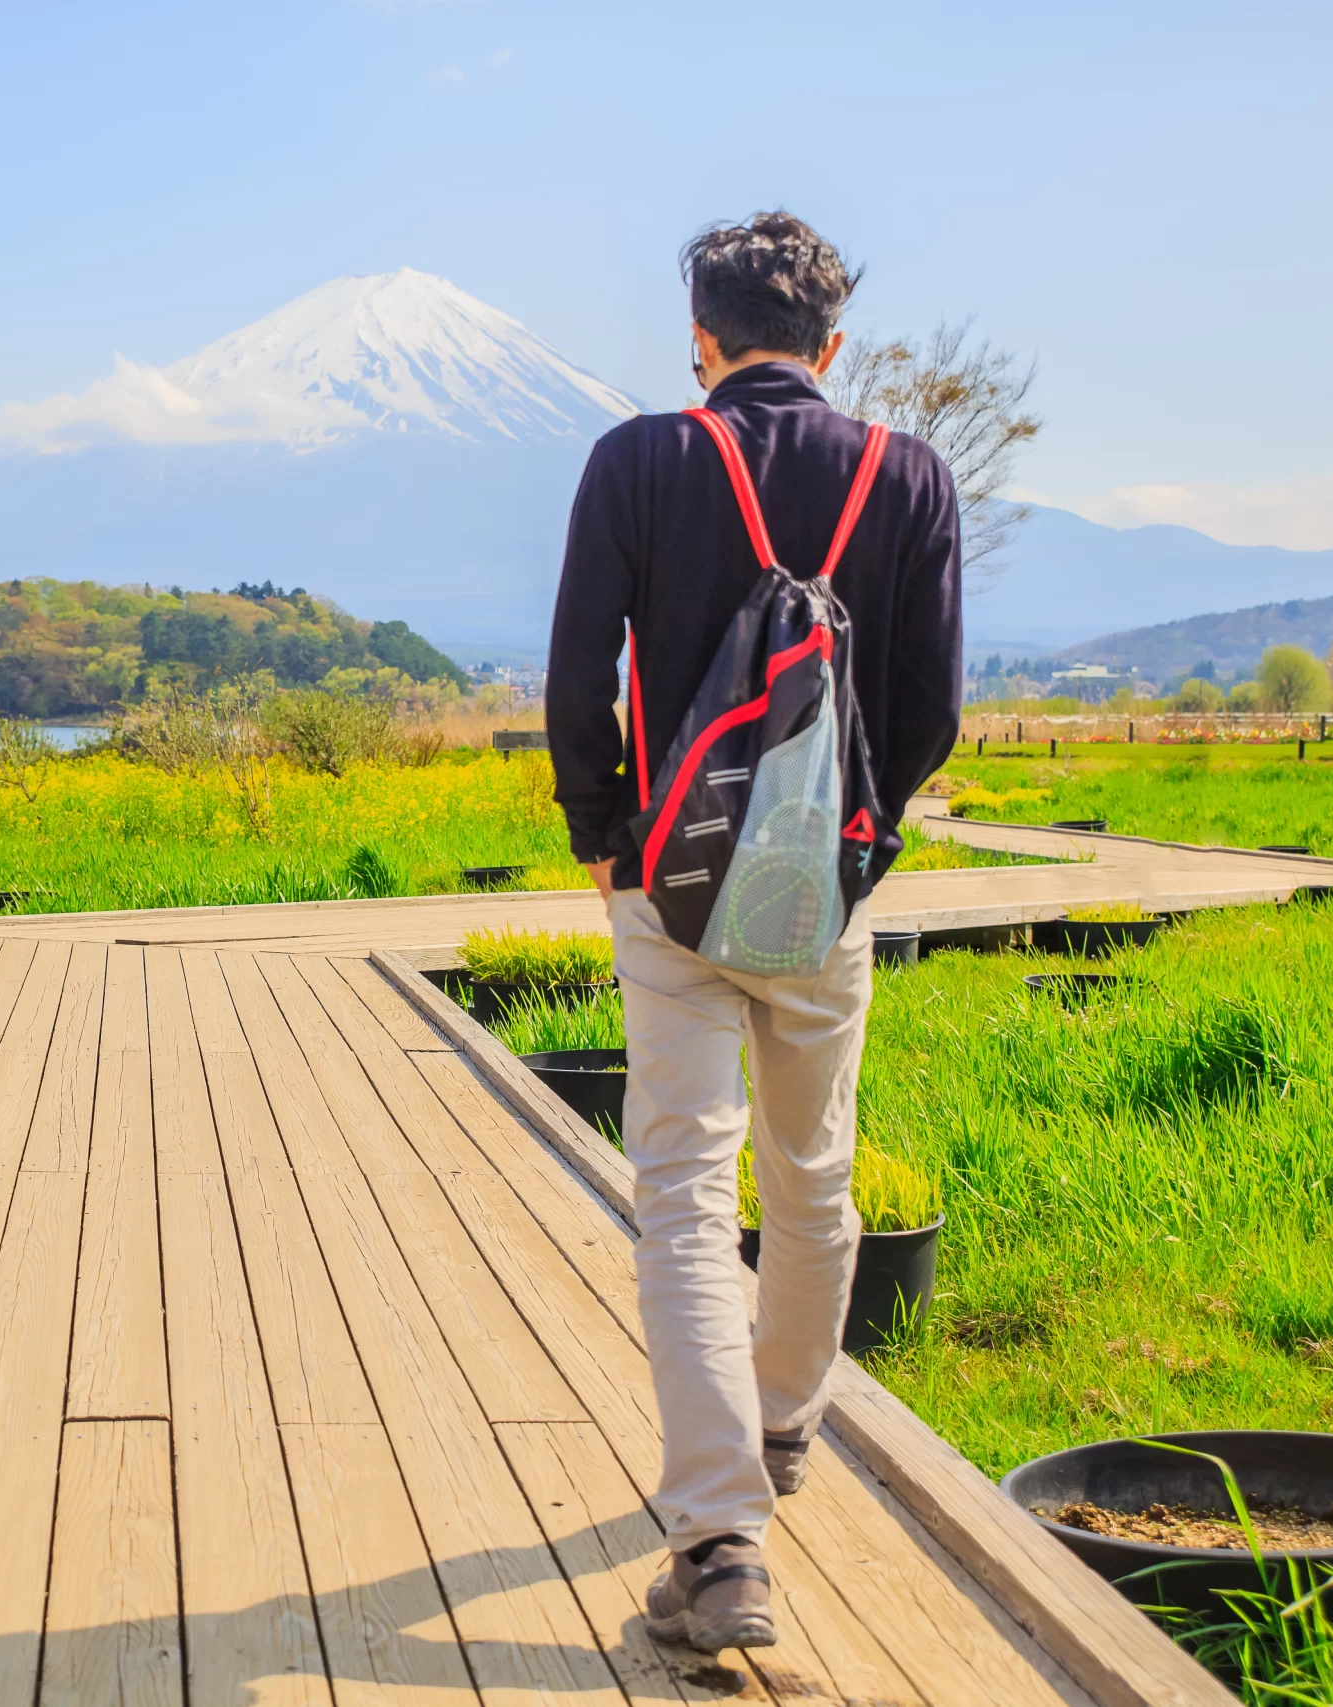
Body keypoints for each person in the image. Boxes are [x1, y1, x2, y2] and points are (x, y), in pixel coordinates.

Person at [544, 210, 963, 1651]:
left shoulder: (638, 461)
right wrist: (864, 838)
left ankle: (720, 1538)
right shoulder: (909, 478)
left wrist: (602, 829)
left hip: (670, 883)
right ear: (833, 349)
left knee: (678, 1186)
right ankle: (782, 1434)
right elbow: (928, 707)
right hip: (820, 894)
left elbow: (574, 666)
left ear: (703, 343)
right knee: (812, 1171)